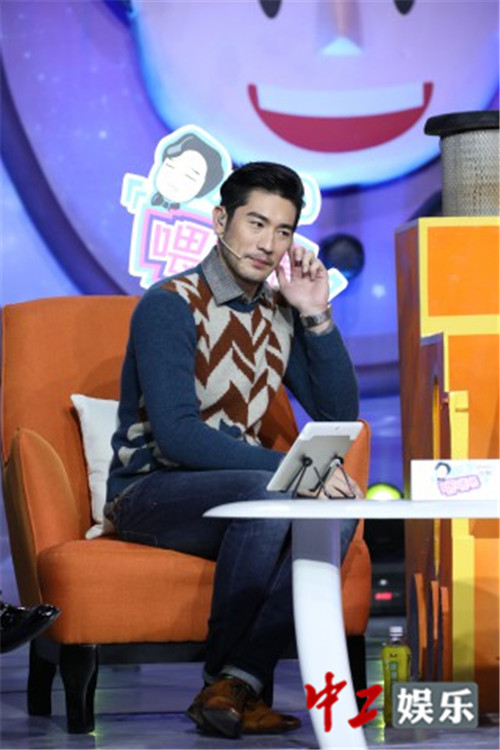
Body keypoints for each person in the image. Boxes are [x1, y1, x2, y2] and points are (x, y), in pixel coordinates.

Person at [104, 161, 361, 738]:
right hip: (149, 491)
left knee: (336, 512)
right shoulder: (169, 304)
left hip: (236, 490)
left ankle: (235, 683)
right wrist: (298, 472)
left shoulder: (277, 311)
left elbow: (339, 413)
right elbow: (178, 435)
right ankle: (226, 678)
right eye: (256, 223)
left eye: (284, 231)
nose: (268, 244)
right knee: (266, 494)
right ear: (221, 220)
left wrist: (315, 314)